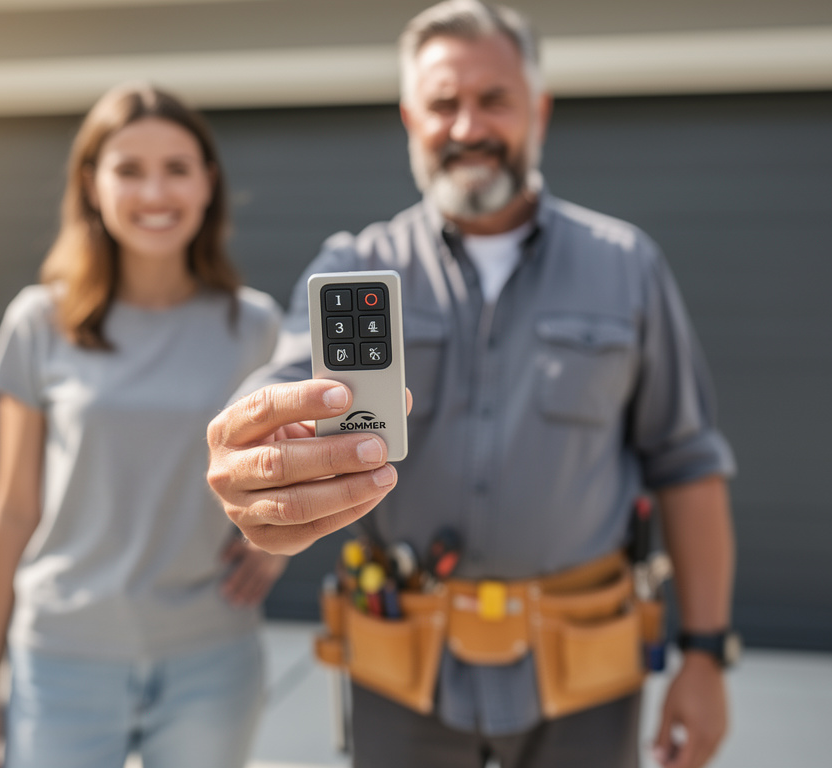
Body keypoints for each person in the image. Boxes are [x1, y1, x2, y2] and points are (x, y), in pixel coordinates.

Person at [206, 2, 738, 768]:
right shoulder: (354, 267)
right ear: (409, 118)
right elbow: (286, 383)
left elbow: (687, 463)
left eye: (493, 100)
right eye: (443, 104)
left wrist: (706, 654)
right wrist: (255, 446)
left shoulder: (628, 266)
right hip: (402, 668)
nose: (466, 127)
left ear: (539, 111)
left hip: (584, 672)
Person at [0, 82, 285, 768]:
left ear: (207, 184)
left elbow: (290, 466)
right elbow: (14, 509)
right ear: (92, 184)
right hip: (62, 657)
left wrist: (279, 542)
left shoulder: (254, 326)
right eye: (129, 170)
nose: (155, 193)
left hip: (212, 657)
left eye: (176, 169)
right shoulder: (39, 322)